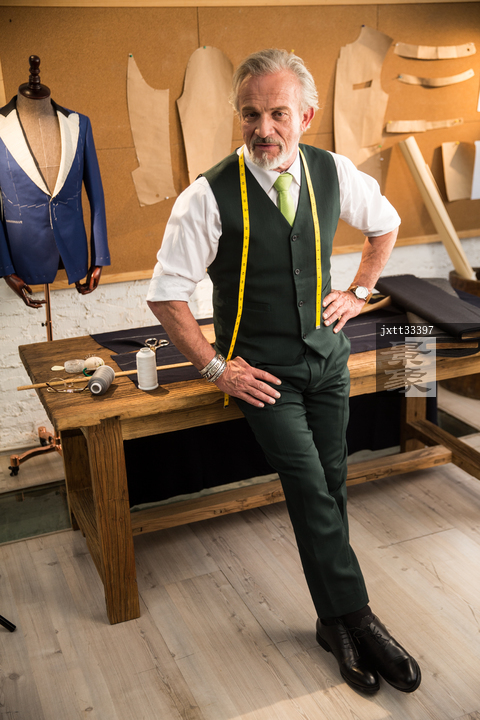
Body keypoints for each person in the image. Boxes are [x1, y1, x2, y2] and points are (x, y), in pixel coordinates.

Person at [147, 48, 421, 695]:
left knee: (333, 482)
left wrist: (359, 291)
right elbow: (165, 294)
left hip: (328, 360)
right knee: (308, 483)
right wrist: (216, 368)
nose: (263, 128)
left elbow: (385, 226)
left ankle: (332, 623)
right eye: (250, 114)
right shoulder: (207, 195)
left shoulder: (333, 171)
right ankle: (361, 617)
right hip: (263, 374)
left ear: (306, 115)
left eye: (277, 113)